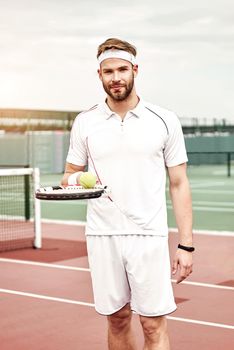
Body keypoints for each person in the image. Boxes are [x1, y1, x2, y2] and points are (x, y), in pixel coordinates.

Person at [62, 38, 193, 350]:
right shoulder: (85, 122)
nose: (116, 77)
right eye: (108, 71)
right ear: (100, 75)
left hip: (148, 236)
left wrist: (186, 244)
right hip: (102, 235)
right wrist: (81, 178)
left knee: (152, 323)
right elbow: (68, 176)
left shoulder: (164, 120)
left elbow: (179, 184)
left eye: (122, 69)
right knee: (118, 318)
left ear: (135, 70)